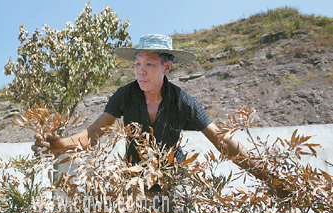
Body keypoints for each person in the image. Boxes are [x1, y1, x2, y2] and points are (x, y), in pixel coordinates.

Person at [32, 34, 270, 191]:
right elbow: (94, 132)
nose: (140, 71)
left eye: (150, 64)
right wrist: (64, 145)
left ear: (167, 66)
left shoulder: (183, 101)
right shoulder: (125, 95)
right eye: (137, 63)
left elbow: (222, 140)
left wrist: (270, 177)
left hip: (172, 180)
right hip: (134, 179)